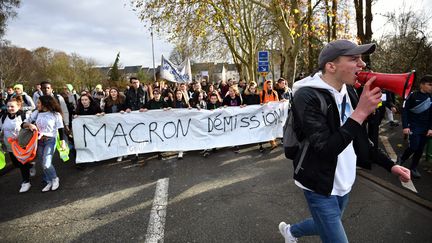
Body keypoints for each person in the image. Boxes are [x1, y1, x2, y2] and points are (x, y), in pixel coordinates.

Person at [278, 39, 411, 243]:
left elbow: (359, 139)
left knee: (327, 222)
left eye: (361, 59)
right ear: (331, 66)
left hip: (344, 181)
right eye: (354, 59)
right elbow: (325, 149)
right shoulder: (307, 96)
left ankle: (291, 232)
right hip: (319, 184)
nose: (362, 64)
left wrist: (390, 166)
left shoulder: (348, 90)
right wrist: (360, 113)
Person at [22, 96, 67, 192]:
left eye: (38, 103)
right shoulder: (36, 113)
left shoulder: (55, 115)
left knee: (46, 163)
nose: (37, 105)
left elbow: (60, 128)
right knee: (43, 164)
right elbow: (23, 124)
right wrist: (29, 125)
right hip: (39, 141)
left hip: (50, 141)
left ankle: (55, 179)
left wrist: (62, 141)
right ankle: (49, 181)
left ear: (45, 103)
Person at [398, 75, 432, 178]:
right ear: (422, 84)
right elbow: (405, 112)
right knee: (414, 146)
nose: (431, 87)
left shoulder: (431, 97)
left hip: (426, 128)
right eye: (429, 85)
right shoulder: (412, 95)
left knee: (420, 149)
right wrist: (405, 126)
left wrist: (431, 128)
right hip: (414, 127)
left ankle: (413, 168)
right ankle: (402, 159)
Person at [0, 96, 32, 193]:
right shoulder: (3, 117)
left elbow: (28, 127)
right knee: (16, 164)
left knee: (22, 163)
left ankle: (26, 182)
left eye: (12, 107)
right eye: (8, 106)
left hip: (21, 145)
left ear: (18, 107)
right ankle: (29, 165)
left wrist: (30, 125)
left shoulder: (23, 116)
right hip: (9, 146)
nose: (10, 108)